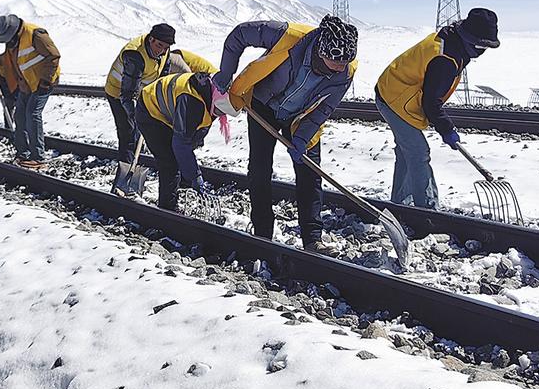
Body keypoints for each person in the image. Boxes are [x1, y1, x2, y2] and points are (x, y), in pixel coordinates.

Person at [214, 15, 359, 247]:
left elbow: (324, 110)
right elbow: (239, 35)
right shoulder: (287, 35)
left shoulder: (345, 73)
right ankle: (262, 233)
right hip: (263, 106)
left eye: (344, 64)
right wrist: (225, 72)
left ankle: (312, 239)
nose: (339, 69)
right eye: (335, 64)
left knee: (310, 173)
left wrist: (302, 138)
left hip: (300, 118)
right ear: (321, 52)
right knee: (260, 170)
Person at [375, 7, 499, 209]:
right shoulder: (445, 57)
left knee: (408, 153)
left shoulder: (454, 42)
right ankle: (427, 210)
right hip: (395, 99)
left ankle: (401, 205)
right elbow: (431, 102)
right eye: (481, 46)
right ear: (470, 39)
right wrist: (447, 129)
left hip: (395, 91)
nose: (482, 52)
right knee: (417, 152)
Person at [136, 71, 237, 214]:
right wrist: (195, 176)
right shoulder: (192, 101)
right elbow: (181, 143)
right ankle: (167, 209)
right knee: (169, 162)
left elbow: (193, 132)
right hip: (149, 111)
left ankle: (181, 186)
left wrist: (190, 171)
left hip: (169, 113)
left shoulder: (212, 92)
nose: (219, 115)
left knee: (180, 157)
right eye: (219, 111)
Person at [103, 24, 179, 172]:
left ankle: (134, 163)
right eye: (159, 46)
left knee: (140, 132)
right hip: (118, 92)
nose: (162, 51)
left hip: (139, 92)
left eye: (166, 47)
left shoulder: (164, 51)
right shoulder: (134, 55)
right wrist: (137, 118)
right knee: (128, 131)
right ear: (151, 39)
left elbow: (162, 77)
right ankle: (124, 174)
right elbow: (127, 95)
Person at [0, 14, 60, 167]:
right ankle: (23, 154)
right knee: (20, 116)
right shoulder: (14, 41)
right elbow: (9, 58)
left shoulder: (36, 35)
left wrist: (45, 82)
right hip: (27, 84)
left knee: (32, 114)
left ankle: (39, 157)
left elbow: (53, 56)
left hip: (43, 82)